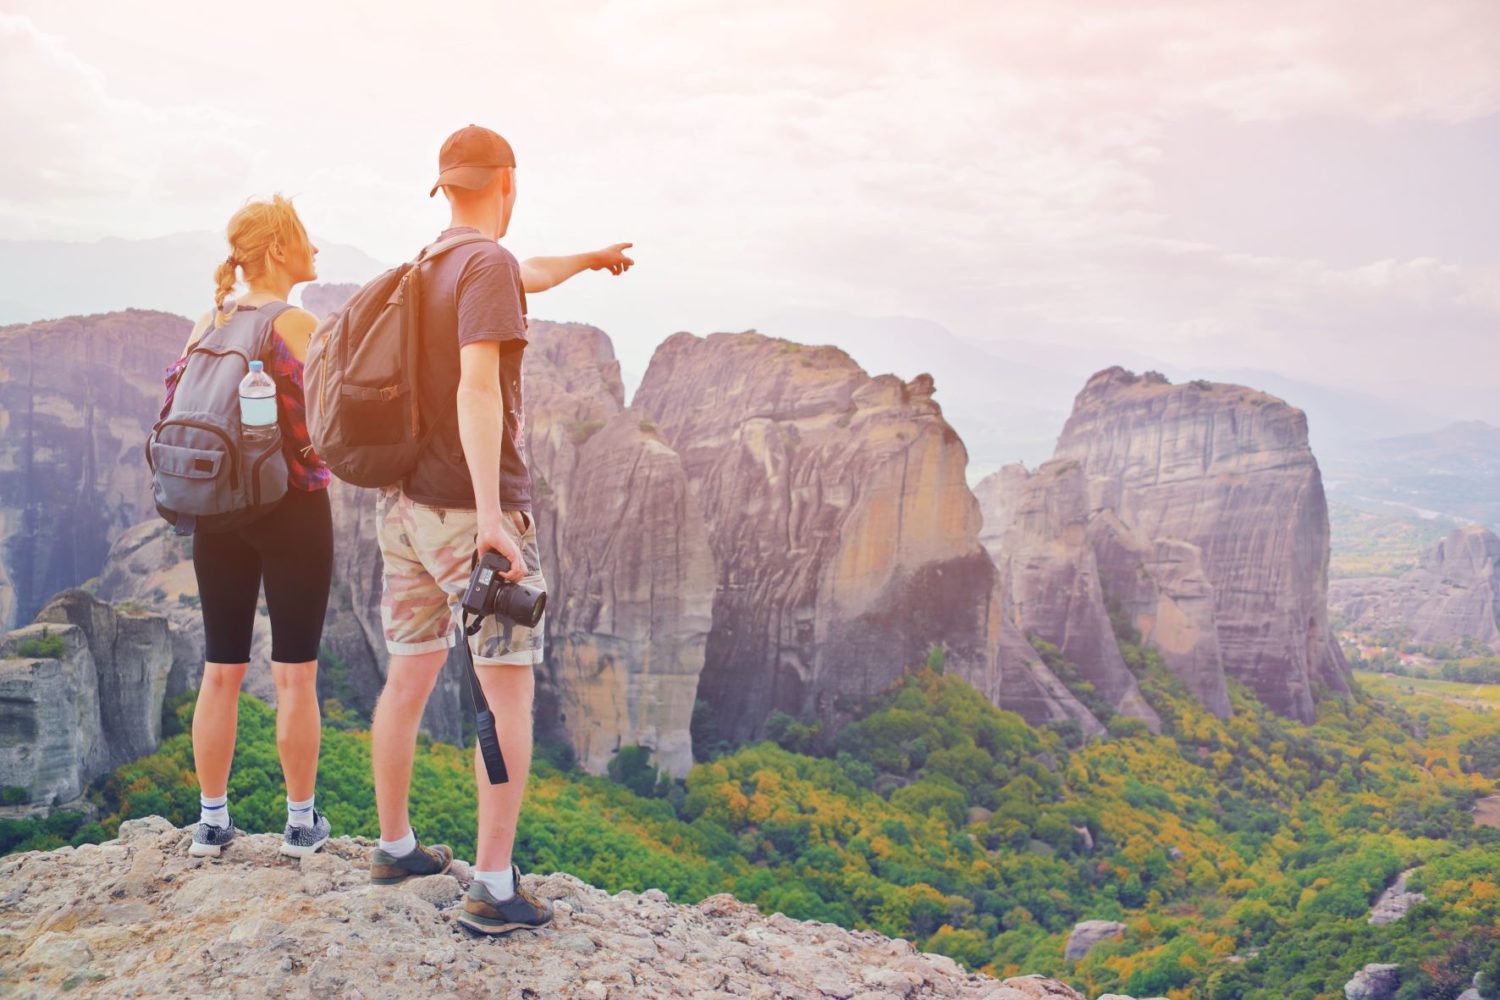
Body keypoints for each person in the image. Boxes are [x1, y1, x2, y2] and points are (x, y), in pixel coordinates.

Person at [367, 124, 633, 936]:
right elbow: (478, 389)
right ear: (507, 182)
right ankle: (492, 886)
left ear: (445, 187)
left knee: (407, 679)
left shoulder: (436, 261)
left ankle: (394, 845)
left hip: (403, 510)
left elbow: (527, 274)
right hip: (462, 515)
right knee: (507, 687)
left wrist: (589, 259)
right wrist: (491, 516)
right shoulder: (485, 265)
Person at [162, 195, 335, 859]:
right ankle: (299, 826)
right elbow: (332, 416)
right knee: (295, 675)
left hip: (216, 511)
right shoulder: (294, 321)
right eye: (305, 237)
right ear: (279, 251)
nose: (314, 248)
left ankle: (211, 823)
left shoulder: (209, 319)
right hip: (290, 507)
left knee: (220, 671)